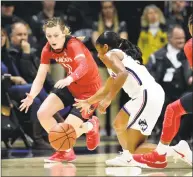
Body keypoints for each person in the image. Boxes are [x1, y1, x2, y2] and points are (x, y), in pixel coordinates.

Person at [74, 31, 165, 166]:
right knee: (119, 124)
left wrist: (108, 99)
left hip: (146, 95)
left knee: (136, 148)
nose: (98, 55)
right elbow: (107, 87)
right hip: (146, 95)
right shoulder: (119, 58)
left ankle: (176, 150)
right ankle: (127, 157)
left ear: (105, 47)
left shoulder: (110, 55)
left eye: (98, 50)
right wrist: (88, 102)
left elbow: (123, 74)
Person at [19, 17, 101, 162]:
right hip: (70, 86)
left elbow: (84, 66)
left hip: (89, 92)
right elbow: (41, 75)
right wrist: (31, 96)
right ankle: (65, 151)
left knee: (67, 130)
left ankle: (90, 126)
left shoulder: (74, 44)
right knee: (43, 113)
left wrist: (69, 78)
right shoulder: (47, 49)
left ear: (63, 33)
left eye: (56, 35)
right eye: (49, 36)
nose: (52, 39)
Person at [133, 14, 193, 169]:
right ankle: (160, 154)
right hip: (166, 90)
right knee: (172, 109)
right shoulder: (189, 47)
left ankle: (166, 153)